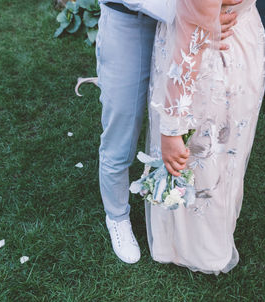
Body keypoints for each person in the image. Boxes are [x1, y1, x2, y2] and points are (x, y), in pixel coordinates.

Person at [93, 0, 242, 264]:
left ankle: (177, 211)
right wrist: (197, 16)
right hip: (130, 21)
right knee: (123, 124)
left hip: (185, 22)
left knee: (187, 118)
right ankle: (116, 214)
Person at [145, 0, 265, 274]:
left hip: (209, 59)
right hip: (241, 41)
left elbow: (190, 47)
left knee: (200, 150)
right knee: (221, 151)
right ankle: (205, 239)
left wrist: (171, 130)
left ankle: (195, 247)